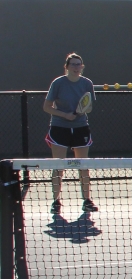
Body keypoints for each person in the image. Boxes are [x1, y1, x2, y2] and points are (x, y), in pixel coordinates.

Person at [42, 53, 98, 213]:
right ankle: (56, 201)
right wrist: (64, 115)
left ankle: (87, 200)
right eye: (73, 64)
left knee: (83, 165)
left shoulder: (87, 83)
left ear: (82, 66)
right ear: (66, 67)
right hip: (59, 127)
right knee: (58, 165)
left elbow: (89, 107)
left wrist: (80, 113)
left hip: (81, 127)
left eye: (79, 64)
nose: (76, 67)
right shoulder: (58, 83)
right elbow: (47, 107)